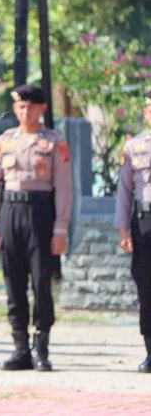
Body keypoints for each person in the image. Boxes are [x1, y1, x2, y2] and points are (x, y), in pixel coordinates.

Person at [0, 84, 72, 372]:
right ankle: (20, 348)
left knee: (41, 281)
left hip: (41, 214)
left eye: (31, 106)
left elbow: (64, 189)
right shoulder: (5, 141)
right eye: (21, 106)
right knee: (14, 282)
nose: (26, 111)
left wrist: (60, 229)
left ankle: (41, 347)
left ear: (42, 108)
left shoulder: (54, 143)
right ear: (15, 109)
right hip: (11, 213)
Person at [114, 90, 151, 374]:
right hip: (144, 222)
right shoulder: (134, 147)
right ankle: (150, 349)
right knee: (146, 285)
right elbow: (124, 192)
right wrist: (122, 229)